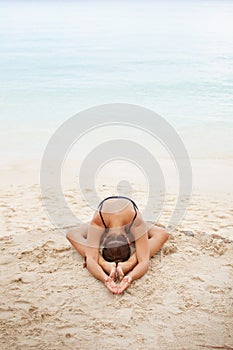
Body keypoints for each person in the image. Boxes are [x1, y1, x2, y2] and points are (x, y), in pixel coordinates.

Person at [66, 196, 169, 294]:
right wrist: (103, 266)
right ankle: (104, 260)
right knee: (72, 234)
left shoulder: (135, 222)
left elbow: (91, 260)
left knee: (162, 233)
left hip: (128, 218)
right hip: (105, 219)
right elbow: (90, 260)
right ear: (129, 241)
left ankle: (131, 260)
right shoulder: (98, 221)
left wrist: (130, 264)